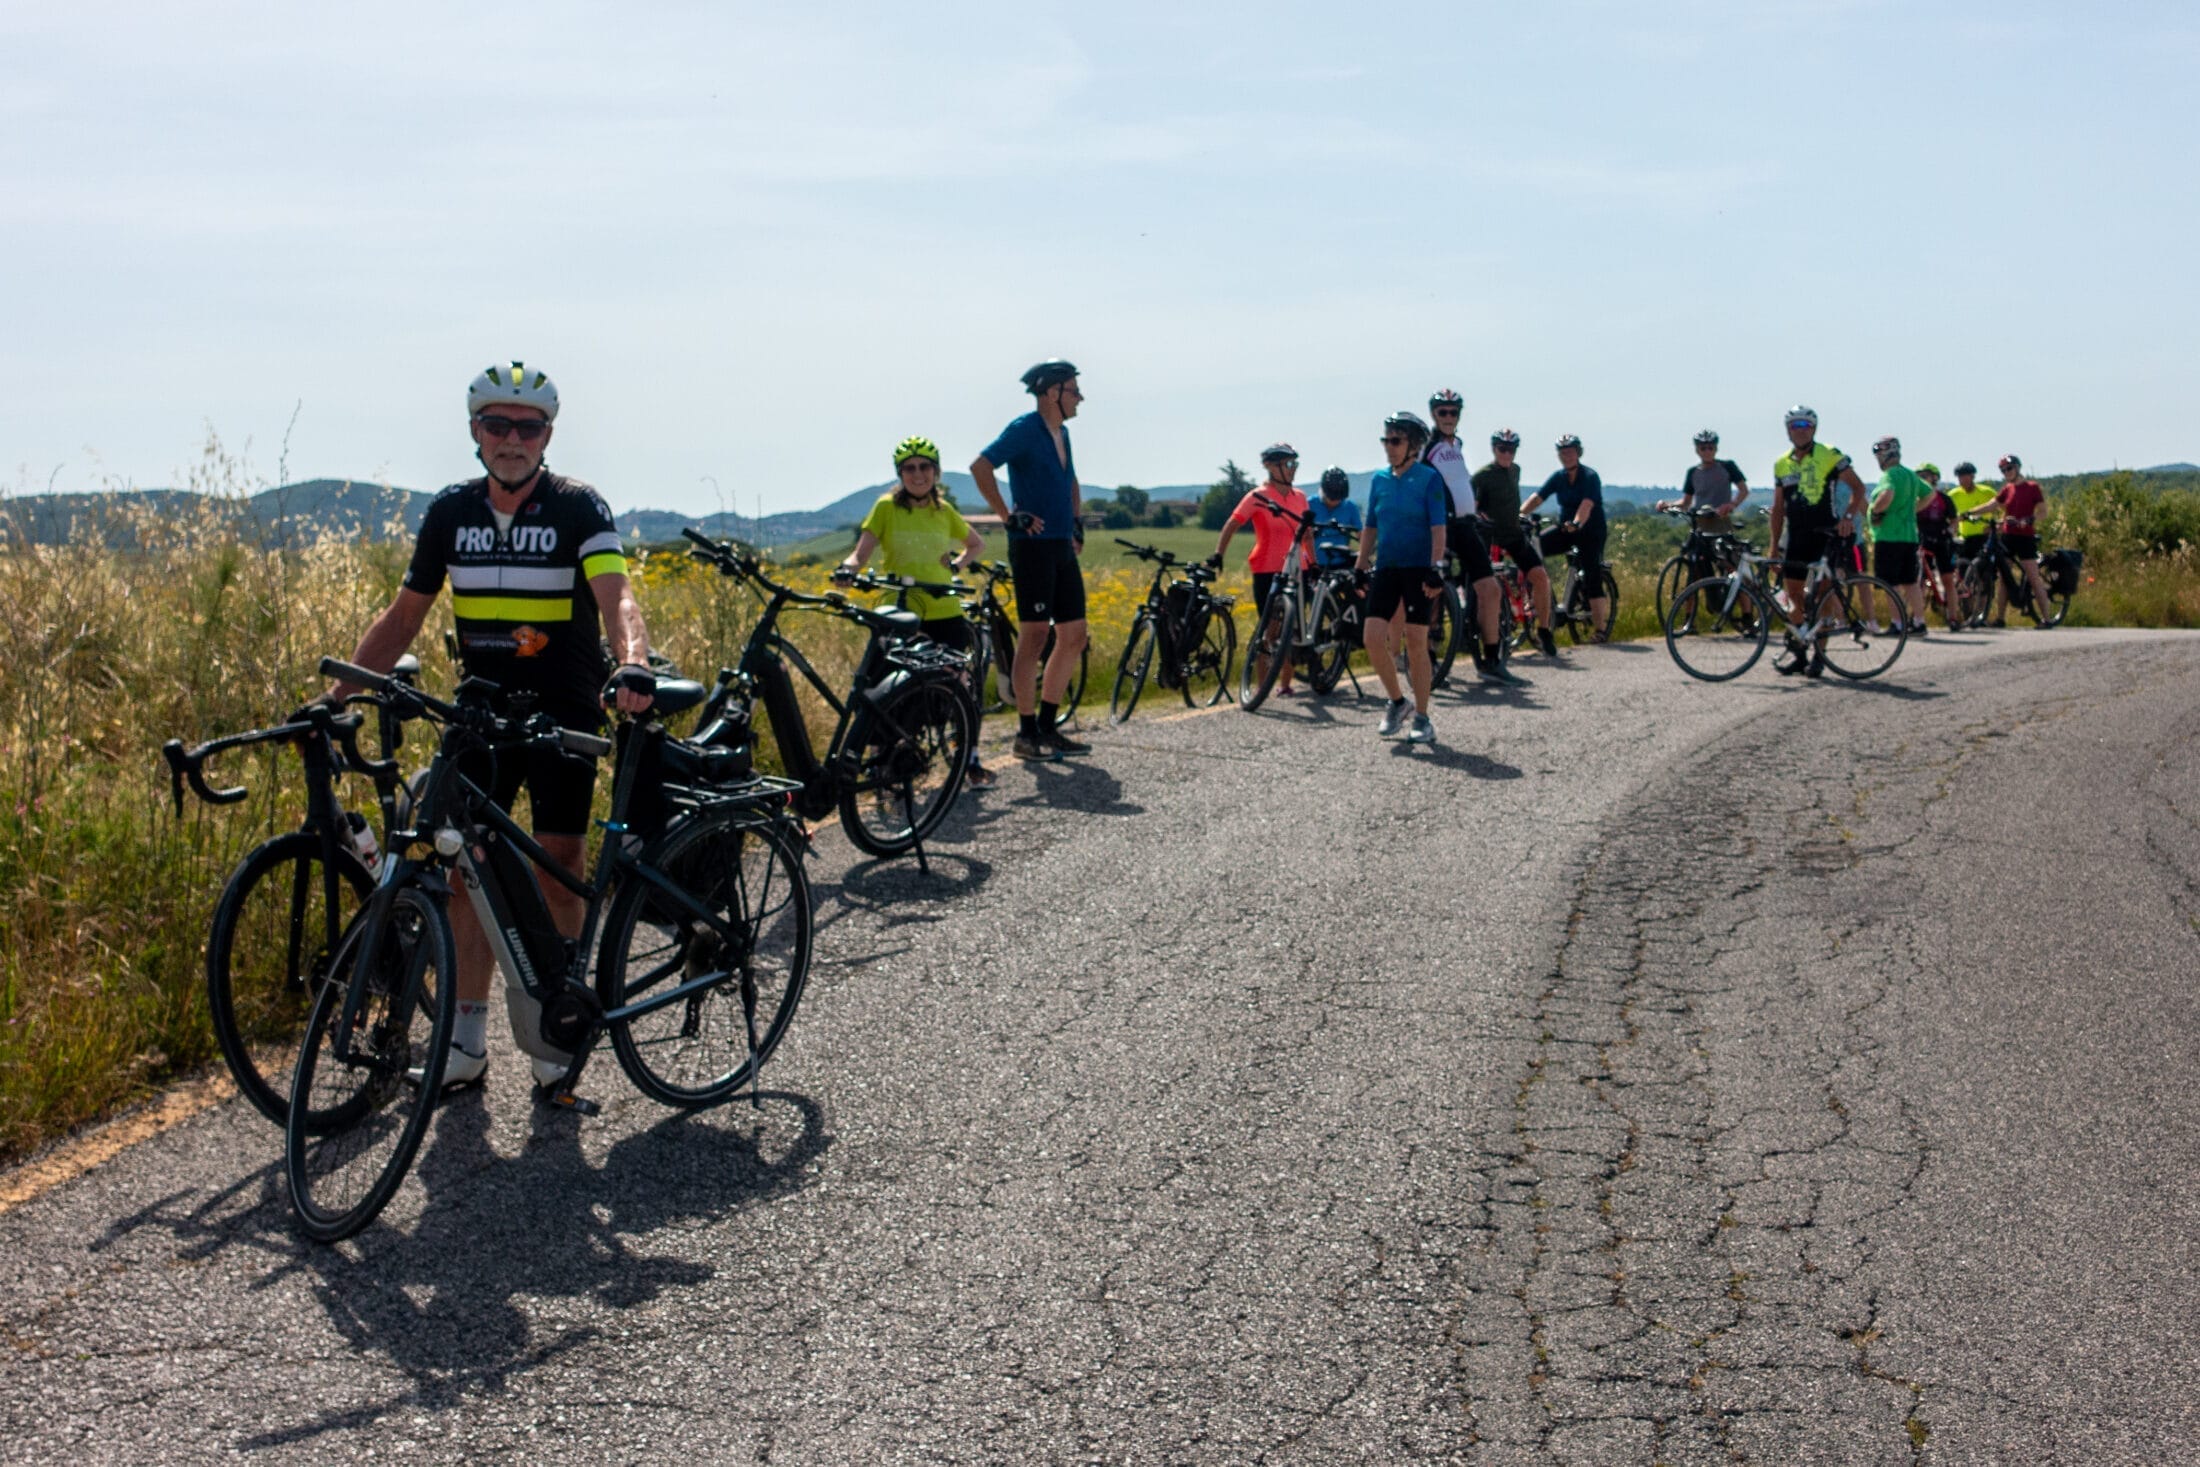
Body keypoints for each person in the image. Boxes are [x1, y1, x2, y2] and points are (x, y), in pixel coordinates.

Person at [330, 362, 656, 1092]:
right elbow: (403, 617)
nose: (512, 439)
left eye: (528, 426)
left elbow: (618, 598)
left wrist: (632, 661)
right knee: (459, 872)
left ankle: (552, 1034)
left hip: (564, 711)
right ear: (475, 431)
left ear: (547, 434)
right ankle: (466, 1042)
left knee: (556, 862)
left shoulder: (579, 506)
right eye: (496, 425)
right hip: (478, 712)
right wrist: (338, 692)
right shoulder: (451, 512)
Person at [836, 435, 995, 786]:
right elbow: (860, 554)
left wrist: (956, 566)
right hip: (900, 610)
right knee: (884, 685)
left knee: (960, 682)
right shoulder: (885, 508)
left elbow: (976, 543)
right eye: (909, 468)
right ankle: (883, 756)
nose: (917, 474)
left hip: (944, 608)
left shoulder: (944, 511)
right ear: (900, 473)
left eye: (925, 467)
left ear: (935, 472)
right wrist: (848, 570)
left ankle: (969, 756)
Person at [971, 360, 1092, 761]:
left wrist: (1075, 521)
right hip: (1032, 545)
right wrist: (1008, 516)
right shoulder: (1025, 428)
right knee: (1036, 634)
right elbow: (981, 466)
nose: (1080, 398)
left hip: (1059, 543)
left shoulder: (1065, 434)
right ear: (1051, 392)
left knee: (1074, 635)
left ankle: (1046, 726)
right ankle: (1024, 734)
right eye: (1073, 391)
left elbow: (1070, 479)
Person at [1356, 411, 1446, 743]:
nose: (1389, 447)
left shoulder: (1428, 479)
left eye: (1396, 440)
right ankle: (1398, 702)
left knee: (1416, 644)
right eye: (1386, 440)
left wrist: (1437, 567)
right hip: (1388, 567)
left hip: (1418, 569)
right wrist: (1360, 566)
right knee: (1372, 637)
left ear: (1414, 444)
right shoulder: (1380, 480)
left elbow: (1438, 527)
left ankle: (1422, 717)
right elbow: (1371, 527)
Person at [1764, 404, 1869, 677]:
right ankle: (1800, 654)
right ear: (1787, 430)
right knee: (1793, 596)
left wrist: (1848, 516)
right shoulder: (1781, 463)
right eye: (1795, 426)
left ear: (1814, 428)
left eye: (1805, 425)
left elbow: (1858, 488)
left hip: (1827, 535)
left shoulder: (1829, 454)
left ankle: (1821, 656)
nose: (1800, 430)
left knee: (1822, 596)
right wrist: (1774, 544)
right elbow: (1778, 509)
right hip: (1796, 535)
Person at [1422, 389, 1518, 683]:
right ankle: (1428, 657)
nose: (1449, 417)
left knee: (1490, 588)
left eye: (1453, 412)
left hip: (1467, 526)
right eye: (1443, 412)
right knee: (1435, 590)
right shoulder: (1428, 446)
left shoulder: (1456, 444)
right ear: (1434, 415)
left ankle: (1490, 661)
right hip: (1441, 527)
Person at [1215, 443, 1313, 696]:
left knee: (1291, 627)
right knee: (1269, 628)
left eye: (1295, 464)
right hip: (1267, 568)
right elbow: (1232, 523)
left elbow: (1308, 535)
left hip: (1296, 567)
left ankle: (1286, 684)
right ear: (1271, 466)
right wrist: (1218, 554)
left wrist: (1313, 563)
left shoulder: (1300, 497)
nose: (1292, 470)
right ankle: (1261, 686)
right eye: (1287, 464)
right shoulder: (1258, 496)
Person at [1473, 428, 1556, 656]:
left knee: (1540, 576)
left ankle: (1544, 630)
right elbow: (1472, 507)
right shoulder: (1482, 476)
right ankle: (1490, 635)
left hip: (1514, 534)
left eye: (1511, 449)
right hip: (1490, 537)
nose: (1507, 454)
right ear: (1494, 449)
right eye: (1502, 449)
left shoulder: (1515, 471)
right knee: (1489, 587)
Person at [1520, 434, 1611, 641]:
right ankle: (1539, 597)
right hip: (1566, 529)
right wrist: (1519, 515)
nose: (1566, 456)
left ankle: (1600, 629)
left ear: (1578, 453)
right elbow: (1538, 498)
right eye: (1562, 453)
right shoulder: (1558, 477)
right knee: (1535, 547)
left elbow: (1586, 505)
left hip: (1590, 530)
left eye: (1570, 452)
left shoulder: (1589, 476)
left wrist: (1577, 523)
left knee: (1591, 574)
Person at [1867, 435, 1926, 635]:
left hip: (1888, 536)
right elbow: (1931, 494)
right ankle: (1919, 622)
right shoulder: (1911, 475)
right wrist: (1913, 510)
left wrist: (1876, 511)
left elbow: (1887, 494)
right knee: (1910, 582)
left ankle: (1897, 623)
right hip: (1909, 535)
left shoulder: (1890, 475)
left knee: (1889, 583)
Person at [1988, 453, 2054, 627]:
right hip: (2008, 536)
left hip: (2025, 537)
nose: (2006, 472)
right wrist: (1969, 512)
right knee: (2004, 576)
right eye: (2003, 470)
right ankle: (2000, 618)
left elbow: (2042, 512)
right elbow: (1992, 504)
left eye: (2009, 468)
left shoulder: (2032, 487)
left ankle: (2046, 618)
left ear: (2017, 467)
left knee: (2033, 577)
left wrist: (2030, 520)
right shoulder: (2007, 489)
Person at [1657, 429, 1751, 527]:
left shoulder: (1728, 466)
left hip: (1721, 520)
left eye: (1711, 448)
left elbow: (1743, 490)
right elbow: (1686, 502)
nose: (1707, 451)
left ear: (1716, 449)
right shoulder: (1693, 472)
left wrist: (1732, 505)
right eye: (1703, 448)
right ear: (1697, 450)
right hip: (1699, 522)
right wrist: (1668, 506)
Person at [1913, 462, 1963, 628]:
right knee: (1919, 581)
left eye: (1925, 475)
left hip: (1942, 542)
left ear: (1934, 477)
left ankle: (1953, 618)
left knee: (1947, 579)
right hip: (1922, 542)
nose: (1922, 479)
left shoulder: (1944, 499)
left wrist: (1950, 530)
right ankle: (1917, 619)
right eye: (1919, 476)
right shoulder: (1916, 500)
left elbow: (1954, 520)